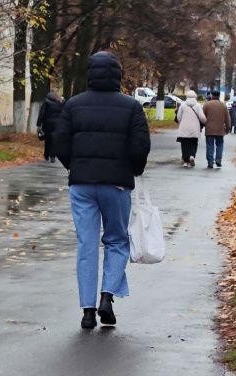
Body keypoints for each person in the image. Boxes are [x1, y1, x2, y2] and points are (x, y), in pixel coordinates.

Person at [53, 52, 151, 330]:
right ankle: (107, 296)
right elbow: (140, 146)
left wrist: (76, 166)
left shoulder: (74, 105)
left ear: (90, 74)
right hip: (117, 184)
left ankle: (87, 311)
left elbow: (60, 141)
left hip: (82, 185)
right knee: (117, 240)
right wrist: (134, 169)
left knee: (86, 245)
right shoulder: (131, 107)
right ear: (118, 75)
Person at [174, 89, 205, 168]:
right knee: (194, 143)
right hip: (194, 129)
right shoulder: (198, 105)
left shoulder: (183, 105)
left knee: (184, 145)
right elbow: (202, 117)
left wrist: (182, 123)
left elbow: (179, 117)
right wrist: (205, 122)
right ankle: (192, 156)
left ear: (187, 96)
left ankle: (185, 160)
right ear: (195, 97)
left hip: (184, 128)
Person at [202, 90, 230, 169]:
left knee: (210, 145)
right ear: (219, 95)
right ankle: (218, 160)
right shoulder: (223, 105)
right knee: (220, 145)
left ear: (211, 95)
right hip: (220, 129)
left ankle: (210, 161)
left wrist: (202, 125)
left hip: (209, 129)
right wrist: (228, 128)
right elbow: (227, 119)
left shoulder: (207, 105)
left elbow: (202, 117)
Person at [36, 90, 63, 162]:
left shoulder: (46, 102)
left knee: (48, 140)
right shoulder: (60, 102)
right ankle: (53, 156)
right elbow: (63, 113)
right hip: (57, 124)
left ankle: (46, 155)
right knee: (54, 140)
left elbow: (42, 113)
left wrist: (38, 124)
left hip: (47, 124)